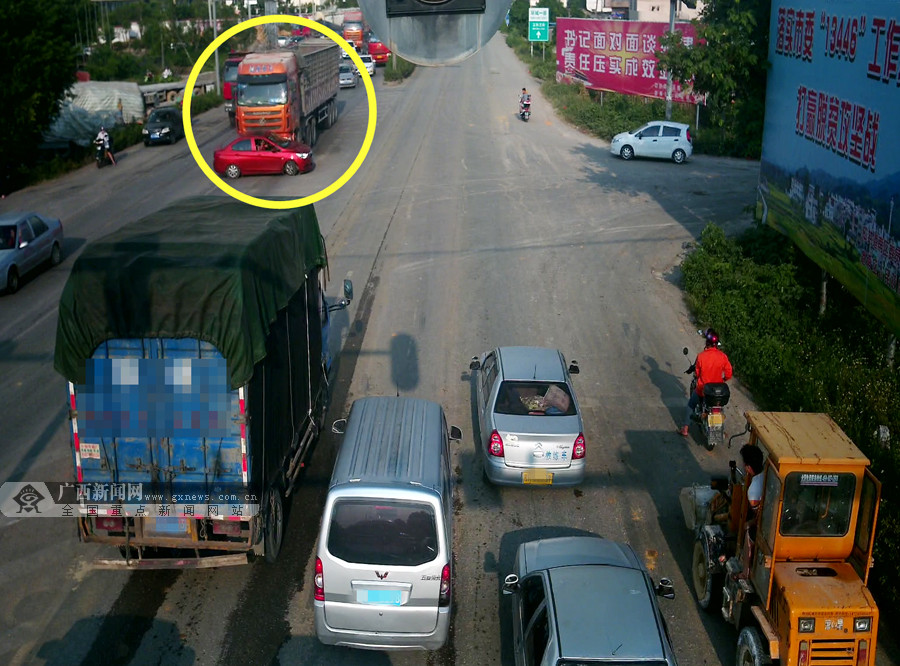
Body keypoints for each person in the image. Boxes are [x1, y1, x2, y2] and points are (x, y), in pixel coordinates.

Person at [681, 328, 732, 436]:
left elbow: (697, 373)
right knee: (719, 408)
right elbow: (728, 373)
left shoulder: (701, 356)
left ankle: (685, 429)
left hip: (703, 390)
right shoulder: (723, 357)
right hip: (718, 392)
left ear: (707, 343)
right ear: (716, 344)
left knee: (691, 404)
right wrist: (722, 380)